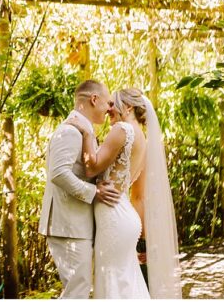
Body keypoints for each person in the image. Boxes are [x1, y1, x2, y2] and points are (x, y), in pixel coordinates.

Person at [66, 87, 182, 299]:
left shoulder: (122, 130)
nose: (109, 109)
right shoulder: (144, 143)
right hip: (127, 219)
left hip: (113, 219)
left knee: (111, 284)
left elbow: (91, 168)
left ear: (128, 107)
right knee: (127, 284)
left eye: (113, 104)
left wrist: (86, 132)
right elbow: (139, 196)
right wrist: (144, 239)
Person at [37, 79, 121, 299]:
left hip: (75, 224)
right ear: (94, 99)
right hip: (68, 225)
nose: (109, 108)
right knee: (78, 291)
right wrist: (95, 192)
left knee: (79, 290)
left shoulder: (82, 130)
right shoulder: (70, 131)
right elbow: (58, 173)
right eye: (108, 102)